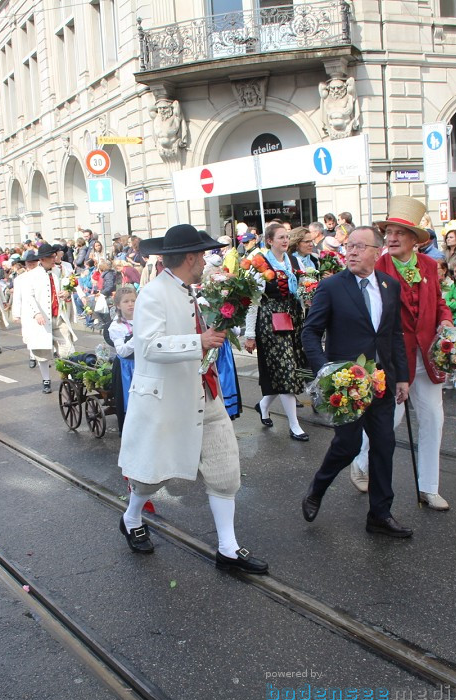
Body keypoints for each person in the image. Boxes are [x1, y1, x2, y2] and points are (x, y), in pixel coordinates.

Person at [117, 224, 268, 573]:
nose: (204, 259)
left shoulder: (189, 289)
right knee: (152, 475)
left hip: (204, 391)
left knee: (224, 468)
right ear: (189, 257)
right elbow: (148, 347)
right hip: (166, 400)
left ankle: (228, 549)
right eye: (200, 254)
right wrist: (197, 341)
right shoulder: (154, 293)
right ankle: (131, 516)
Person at [300, 224, 410, 536]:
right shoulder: (332, 287)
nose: (352, 251)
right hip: (345, 385)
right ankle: (317, 489)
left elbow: (394, 335)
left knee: (384, 445)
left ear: (378, 252)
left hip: (380, 381)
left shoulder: (389, 285)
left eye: (360, 247)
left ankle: (380, 514)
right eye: (349, 246)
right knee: (347, 445)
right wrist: (325, 370)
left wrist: (401, 376)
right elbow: (310, 332)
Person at [365, 198, 454, 510]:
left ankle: (429, 487)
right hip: (392, 360)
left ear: (415, 239)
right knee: (388, 420)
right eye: (388, 231)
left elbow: (439, 303)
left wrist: (445, 321)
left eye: (399, 232)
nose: (391, 237)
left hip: (428, 355)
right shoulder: (378, 268)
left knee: (434, 419)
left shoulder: (430, 266)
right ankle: (361, 463)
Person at [243, 222, 309, 441]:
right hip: (272, 324)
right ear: (269, 241)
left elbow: (301, 290)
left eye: (286, 237)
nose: (285, 240)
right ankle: (294, 425)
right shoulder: (259, 265)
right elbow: (253, 304)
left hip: (293, 320)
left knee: (292, 369)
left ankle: (263, 405)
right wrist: (250, 335)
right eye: (280, 237)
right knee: (286, 371)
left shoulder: (294, 260)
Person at [20, 243, 77, 394]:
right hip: (43, 319)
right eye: (52, 257)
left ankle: (70, 379)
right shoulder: (32, 275)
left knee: (67, 348)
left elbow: (67, 289)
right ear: (43, 259)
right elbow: (28, 297)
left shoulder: (59, 272)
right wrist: (36, 313)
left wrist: (67, 293)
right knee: (43, 350)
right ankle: (46, 379)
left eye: (55, 256)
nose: (55, 259)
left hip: (58, 316)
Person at [108, 285, 137, 428]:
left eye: (133, 300)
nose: (131, 304)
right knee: (129, 402)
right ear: (118, 305)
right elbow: (122, 351)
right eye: (126, 301)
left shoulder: (142, 319)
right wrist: (137, 336)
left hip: (142, 364)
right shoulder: (116, 327)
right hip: (126, 368)